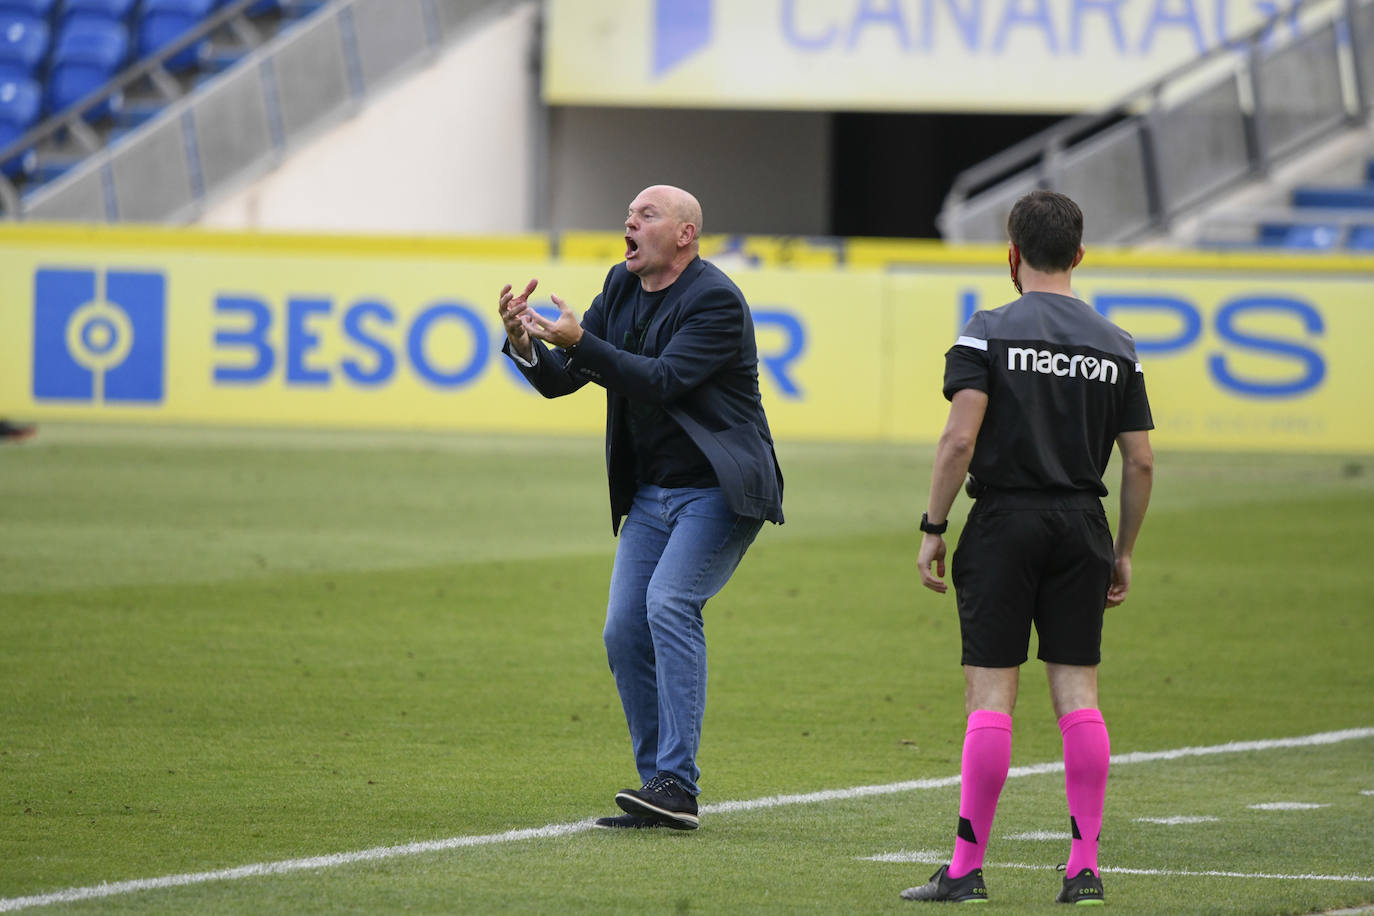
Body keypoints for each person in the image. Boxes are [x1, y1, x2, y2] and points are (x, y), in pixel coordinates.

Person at [497, 184, 784, 831]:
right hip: (652, 494)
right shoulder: (620, 286)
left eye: (646, 214)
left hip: (719, 489)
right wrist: (524, 341)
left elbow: (659, 380)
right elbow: (563, 380)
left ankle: (678, 784)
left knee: (669, 603)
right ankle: (660, 783)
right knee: (624, 629)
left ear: (685, 235)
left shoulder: (714, 300)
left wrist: (579, 341)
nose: (629, 220)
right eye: (628, 213)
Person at [902, 190, 1154, 904]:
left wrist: (933, 526)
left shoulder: (988, 330)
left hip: (1004, 521)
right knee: (1078, 692)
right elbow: (1139, 462)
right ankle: (1083, 869)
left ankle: (964, 869)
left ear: (1012, 256)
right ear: (1078, 255)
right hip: (1083, 526)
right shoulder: (1117, 345)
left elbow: (959, 438)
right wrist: (1124, 549)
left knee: (991, 695)